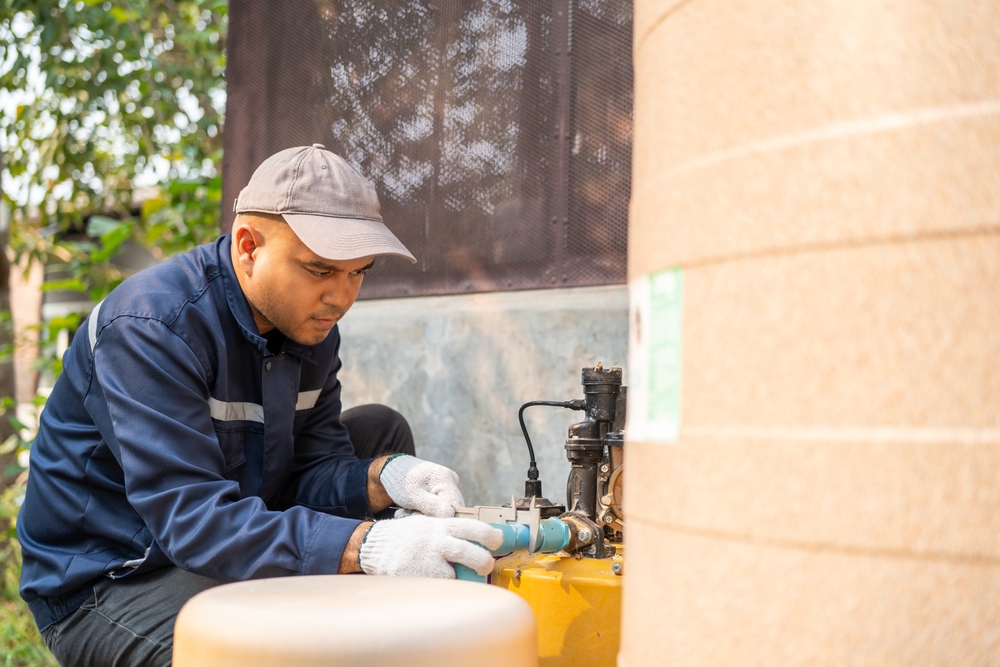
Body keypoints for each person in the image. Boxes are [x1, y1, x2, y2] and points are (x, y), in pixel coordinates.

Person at [17, 144, 503, 667]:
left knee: (380, 435)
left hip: (221, 534)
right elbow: (195, 522)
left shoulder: (310, 327)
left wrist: (384, 479)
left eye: (357, 272)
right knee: (270, 652)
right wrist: (370, 546)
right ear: (248, 247)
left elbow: (309, 473)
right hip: (114, 580)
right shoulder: (150, 329)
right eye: (320, 271)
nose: (341, 297)